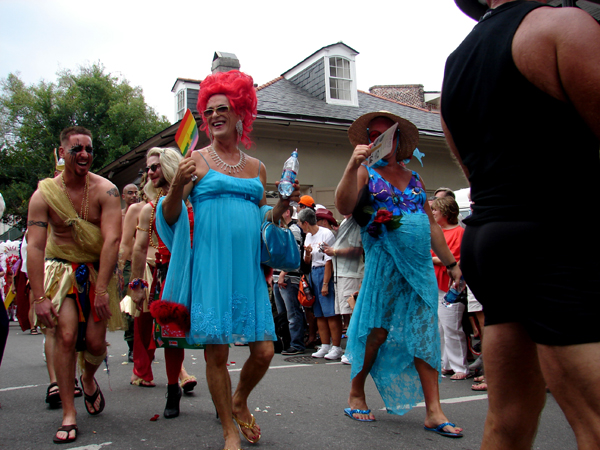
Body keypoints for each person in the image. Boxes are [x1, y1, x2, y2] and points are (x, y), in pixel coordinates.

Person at [442, 1, 600, 448]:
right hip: (555, 235)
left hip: (491, 239)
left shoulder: (456, 64)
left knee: (508, 421)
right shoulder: (562, 26)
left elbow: (474, 175)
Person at [158, 70, 299, 450]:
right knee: (216, 353)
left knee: (265, 350)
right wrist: (175, 186)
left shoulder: (257, 168)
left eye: (223, 108)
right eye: (209, 111)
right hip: (211, 268)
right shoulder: (197, 162)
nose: (215, 115)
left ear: (240, 113)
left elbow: (262, 218)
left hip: (247, 269)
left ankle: (239, 400)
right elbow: (169, 216)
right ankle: (228, 431)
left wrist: (282, 204)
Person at [335, 111, 463, 437]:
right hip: (384, 261)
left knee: (425, 332)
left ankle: (434, 411)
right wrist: (352, 165)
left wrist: (451, 264)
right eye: (372, 134)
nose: (378, 138)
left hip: (420, 264)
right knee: (376, 332)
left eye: (384, 133)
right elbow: (345, 206)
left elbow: (432, 225)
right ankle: (356, 391)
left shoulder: (415, 178)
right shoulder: (364, 171)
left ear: (396, 138)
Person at [27, 126, 123, 444]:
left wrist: (99, 290)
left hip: (97, 272)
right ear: (61, 152)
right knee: (66, 336)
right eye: (76, 149)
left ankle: (89, 378)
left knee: (95, 344)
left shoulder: (106, 190)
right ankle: (69, 413)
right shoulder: (44, 195)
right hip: (61, 272)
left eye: (89, 149)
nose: (83, 154)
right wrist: (38, 297)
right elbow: (36, 248)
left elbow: (112, 240)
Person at [128, 147, 197, 413]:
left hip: (200, 273)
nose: (149, 172)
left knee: (213, 334)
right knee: (171, 336)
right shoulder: (149, 209)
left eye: (154, 167)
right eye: (147, 168)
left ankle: (219, 394)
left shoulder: (197, 199)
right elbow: (137, 248)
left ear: (169, 167)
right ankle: (172, 391)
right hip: (168, 275)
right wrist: (136, 284)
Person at [431, 196, 469, 380]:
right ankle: (445, 364)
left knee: (452, 327)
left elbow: (456, 258)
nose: (433, 213)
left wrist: (435, 259)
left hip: (451, 287)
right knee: (440, 327)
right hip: (435, 284)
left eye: (435, 210)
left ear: (445, 212)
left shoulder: (460, 232)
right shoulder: (436, 233)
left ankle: (460, 366)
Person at [297, 208, 343, 360]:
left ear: (305, 223)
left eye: (299, 222)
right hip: (313, 272)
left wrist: (325, 283)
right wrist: (308, 253)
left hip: (325, 272)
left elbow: (329, 260)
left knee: (330, 312)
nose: (299, 226)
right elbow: (307, 261)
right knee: (319, 313)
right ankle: (325, 345)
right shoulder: (308, 236)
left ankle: (336, 347)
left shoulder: (326, 233)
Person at [322, 214, 364, 335]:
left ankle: (356, 347)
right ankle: (352, 346)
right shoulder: (346, 222)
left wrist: (334, 251)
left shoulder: (355, 223)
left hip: (350, 274)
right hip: (342, 274)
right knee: (346, 312)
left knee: (353, 312)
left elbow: (357, 250)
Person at [273, 206, 305, 355]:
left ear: (286, 212)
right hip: (278, 276)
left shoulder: (294, 230)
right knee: (283, 315)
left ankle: (297, 344)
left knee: (292, 313)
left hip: (288, 277)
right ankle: (287, 342)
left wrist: (283, 273)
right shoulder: (282, 229)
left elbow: (296, 254)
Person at [119, 182, 140, 361]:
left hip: (141, 262)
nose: (134, 196)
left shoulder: (143, 211)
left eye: (136, 193)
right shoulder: (119, 217)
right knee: (129, 306)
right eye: (130, 193)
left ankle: (144, 344)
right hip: (125, 265)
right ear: (123, 197)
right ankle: (132, 344)